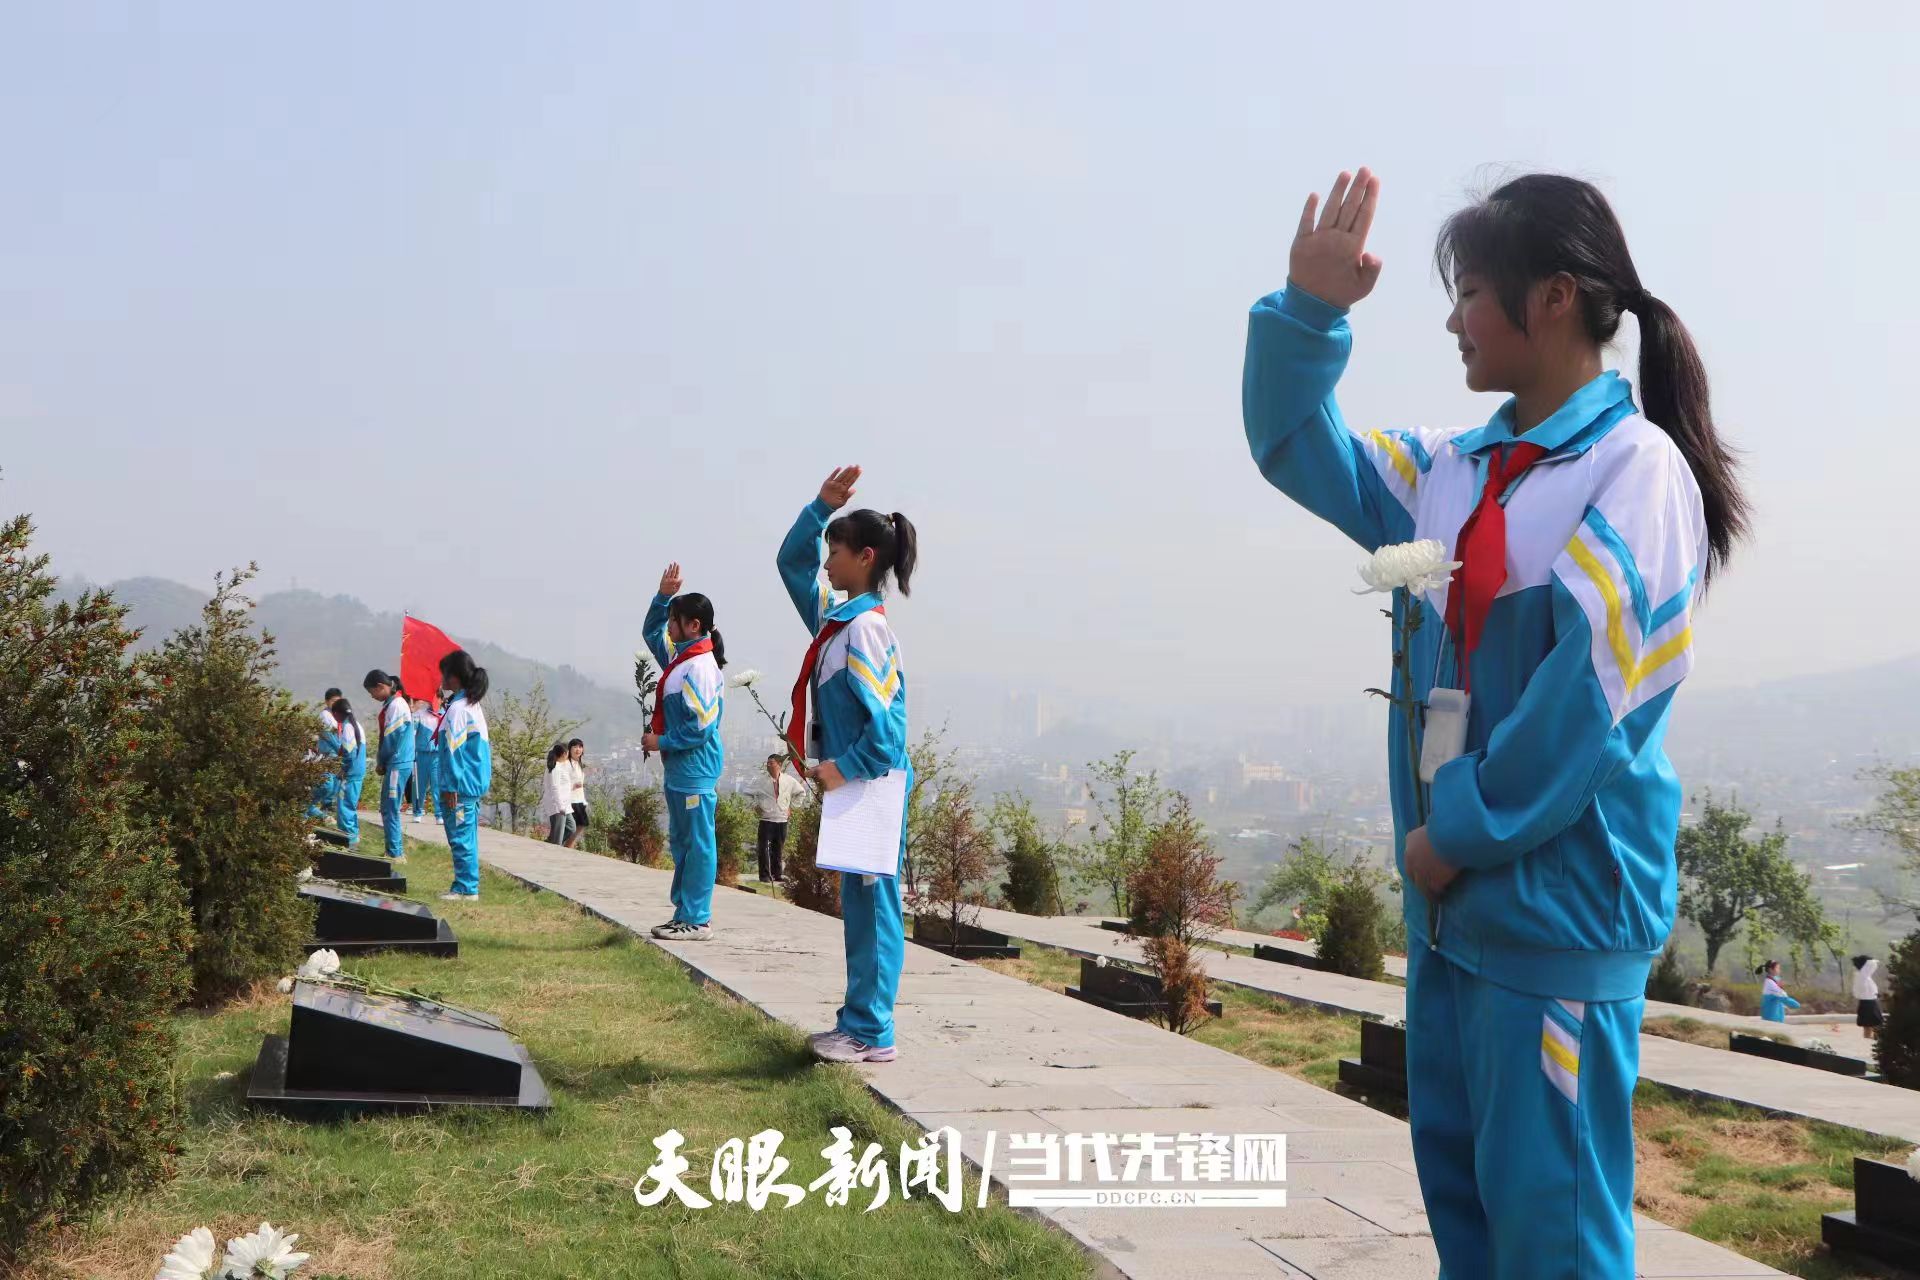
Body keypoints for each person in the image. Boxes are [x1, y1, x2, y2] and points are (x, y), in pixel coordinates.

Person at [1242, 169, 1747, 1279]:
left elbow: (1589, 706)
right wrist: (1306, 311)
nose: (1454, 320)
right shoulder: (1450, 469)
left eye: (1470, 292)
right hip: (1453, 912)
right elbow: (1295, 445)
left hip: (1550, 917)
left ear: (1554, 298)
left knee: (1552, 1229)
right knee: (1467, 1212)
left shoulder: (1633, 471)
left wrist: (1451, 829)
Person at [778, 466, 917, 1064]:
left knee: (874, 907)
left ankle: (871, 1031)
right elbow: (791, 566)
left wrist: (842, 767)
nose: (826, 562)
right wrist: (817, 509)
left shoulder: (863, 631)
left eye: (834, 550)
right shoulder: (835, 623)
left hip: (871, 784)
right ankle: (857, 1022)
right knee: (858, 908)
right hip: (854, 783)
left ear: (864, 557)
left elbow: (888, 731)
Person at [640, 565, 726, 940]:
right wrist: (661, 598)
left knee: (698, 844)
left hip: (695, 770)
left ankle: (697, 917)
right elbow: (650, 633)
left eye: (674, 620)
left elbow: (700, 727)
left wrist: (661, 741)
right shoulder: (680, 661)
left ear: (693, 625)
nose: (669, 627)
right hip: (679, 772)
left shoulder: (702, 668)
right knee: (683, 844)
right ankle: (683, 912)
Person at [434, 650, 492, 901]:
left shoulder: (459, 708)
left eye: (444, 674)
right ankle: (467, 884)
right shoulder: (470, 704)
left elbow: (453, 751)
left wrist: (449, 785)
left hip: (461, 785)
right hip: (471, 782)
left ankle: (466, 888)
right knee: (466, 835)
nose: (441, 680)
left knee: (459, 837)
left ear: (454, 677)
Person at [364, 669, 417, 865]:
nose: (372, 696)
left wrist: (382, 761)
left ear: (381, 687)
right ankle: (392, 849)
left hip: (397, 762)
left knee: (390, 807)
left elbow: (391, 738)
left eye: (372, 692)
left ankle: (396, 853)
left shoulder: (397, 705)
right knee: (388, 806)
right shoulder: (393, 703)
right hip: (396, 762)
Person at [754, 753, 805, 883]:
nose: (769, 765)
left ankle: (777, 874)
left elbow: (801, 793)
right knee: (763, 848)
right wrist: (755, 806)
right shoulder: (761, 781)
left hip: (782, 819)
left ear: (779, 765)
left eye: (772, 762)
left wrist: (791, 807)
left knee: (778, 848)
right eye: (768, 763)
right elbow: (748, 793)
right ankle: (764, 875)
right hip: (766, 819)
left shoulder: (789, 780)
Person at [330, 696, 365, 846]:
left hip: (350, 774)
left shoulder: (348, 728)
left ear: (337, 713)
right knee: (350, 805)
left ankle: (348, 841)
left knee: (344, 807)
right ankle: (353, 837)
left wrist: (343, 770)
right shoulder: (356, 725)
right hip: (357, 772)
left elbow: (349, 755)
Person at [305, 687, 344, 820]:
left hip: (337, 755)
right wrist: (342, 750)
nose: (336, 704)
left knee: (335, 784)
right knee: (327, 784)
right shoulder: (325, 715)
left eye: (338, 701)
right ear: (327, 702)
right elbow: (329, 736)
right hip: (327, 754)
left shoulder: (338, 716)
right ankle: (312, 806)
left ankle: (326, 808)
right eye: (333, 701)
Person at [410, 698, 440, 823]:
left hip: (437, 756)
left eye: (437, 699)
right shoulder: (420, 714)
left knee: (437, 785)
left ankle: (439, 814)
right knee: (419, 785)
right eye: (432, 699)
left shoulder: (444, 715)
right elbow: (412, 731)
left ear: (441, 700)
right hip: (421, 754)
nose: (434, 703)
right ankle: (417, 811)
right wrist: (412, 714)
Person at [540, 742, 576, 845]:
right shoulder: (555, 768)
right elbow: (554, 788)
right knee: (558, 837)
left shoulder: (560, 766)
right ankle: (553, 848)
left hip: (564, 805)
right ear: (565, 753)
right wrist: (560, 807)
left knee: (571, 827)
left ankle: (549, 845)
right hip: (558, 806)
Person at [565, 738, 588, 849]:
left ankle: (569, 846)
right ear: (570, 749)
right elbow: (562, 782)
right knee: (573, 827)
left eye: (580, 747)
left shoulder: (579, 765)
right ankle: (568, 846)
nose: (578, 749)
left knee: (581, 825)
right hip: (571, 800)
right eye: (575, 747)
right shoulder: (567, 764)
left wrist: (584, 801)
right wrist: (572, 787)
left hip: (579, 800)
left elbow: (581, 785)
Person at [1853, 955, 1882, 1041]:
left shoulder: (1863, 976)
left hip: (1869, 1002)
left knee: (1870, 1025)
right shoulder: (1862, 976)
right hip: (1868, 1004)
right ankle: (1874, 1041)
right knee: (1873, 1024)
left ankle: (1872, 1040)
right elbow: (1871, 964)